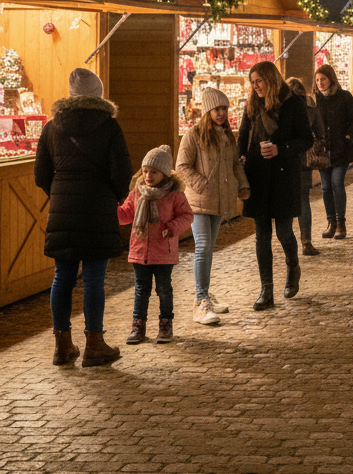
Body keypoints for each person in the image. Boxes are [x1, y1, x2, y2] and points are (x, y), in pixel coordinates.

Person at [35, 67, 133, 367]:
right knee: (93, 280)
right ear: (98, 94)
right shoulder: (109, 126)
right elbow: (122, 171)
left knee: (62, 278)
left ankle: (62, 346)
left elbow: (41, 174)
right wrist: (114, 195)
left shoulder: (52, 127)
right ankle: (94, 344)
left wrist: (61, 193)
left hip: (62, 210)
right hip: (97, 209)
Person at [238, 61, 314, 310]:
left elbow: (306, 139)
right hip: (258, 176)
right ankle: (266, 290)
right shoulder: (253, 105)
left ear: (271, 79)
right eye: (252, 82)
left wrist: (281, 149)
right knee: (262, 234)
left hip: (283, 176)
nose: (255, 86)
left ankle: (293, 268)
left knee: (284, 232)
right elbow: (243, 135)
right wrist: (241, 158)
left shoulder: (293, 103)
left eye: (259, 80)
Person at [176, 87, 250, 326]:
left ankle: (205, 294)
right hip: (199, 201)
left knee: (209, 249)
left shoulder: (228, 136)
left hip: (220, 201)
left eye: (224, 109)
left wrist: (243, 185)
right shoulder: (194, 135)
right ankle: (200, 301)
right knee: (203, 247)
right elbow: (183, 165)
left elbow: (235, 165)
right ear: (208, 111)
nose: (221, 113)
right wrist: (202, 184)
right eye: (217, 109)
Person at [118, 146, 193, 345]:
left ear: (165, 174)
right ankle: (138, 325)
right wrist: (111, 209)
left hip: (163, 252)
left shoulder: (174, 195)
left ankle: (165, 323)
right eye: (145, 171)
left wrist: (172, 227)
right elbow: (126, 215)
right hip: (139, 251)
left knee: (163, 289)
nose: (148, 176)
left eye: (154, 172)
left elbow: (187, 216)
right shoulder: (137, 193)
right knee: (141, 289)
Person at [313, 63, 353, 240]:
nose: (320, 83)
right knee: (325, 187)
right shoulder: (315, 100)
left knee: (337, 184)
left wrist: (348, 137)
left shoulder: (344, 96)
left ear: (331, 78)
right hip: (323, 151)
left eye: (323, 79)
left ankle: (341, 223)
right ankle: (330, 222)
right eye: (317, 80)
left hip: (341, 149)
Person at [285, 77, 326, 256]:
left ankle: (288, 242)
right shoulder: (311, 106)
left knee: (285, 203)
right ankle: (306, 241)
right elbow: (320, 131)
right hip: (304, 159)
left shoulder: (282, 105)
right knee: (303, 201)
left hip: (285, 158)